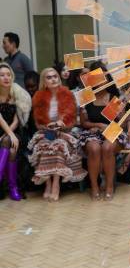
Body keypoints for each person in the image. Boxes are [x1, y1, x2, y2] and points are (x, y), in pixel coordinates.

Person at [28, 67, 86, 201]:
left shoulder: (67, 94)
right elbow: (38, 123)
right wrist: (47, 126)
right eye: (49, 77)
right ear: (44, 81)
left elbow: (71, 121)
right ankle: (47, 183)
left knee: (58, 146)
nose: (53, 79)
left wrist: (61, 124)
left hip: (65, 132)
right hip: (45, 132)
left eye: (55, 76)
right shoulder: (38, 97)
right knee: (43, 145)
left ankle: (55, 184)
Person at [79, 61, 126, 200]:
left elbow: (121, 123)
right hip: (93, 131)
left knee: (107, 147)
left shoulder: (113, 98)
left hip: (113, 131)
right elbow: (83, 123)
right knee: (94, 148)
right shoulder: (86, 97)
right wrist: (99, 125)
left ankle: (109, 186)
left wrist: (116, 118)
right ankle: (95, 187)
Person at [0, 62, 31, 200]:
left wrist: (9, 134)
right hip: (2, 131)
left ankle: (12, 187)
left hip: (13, 132)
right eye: (2, 75)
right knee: (11, 150)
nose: (6, 78)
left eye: (8, 75)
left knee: (9, 143)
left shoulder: (17, 93)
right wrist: (7, 135)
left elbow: (17, 120)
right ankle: (12, 187)